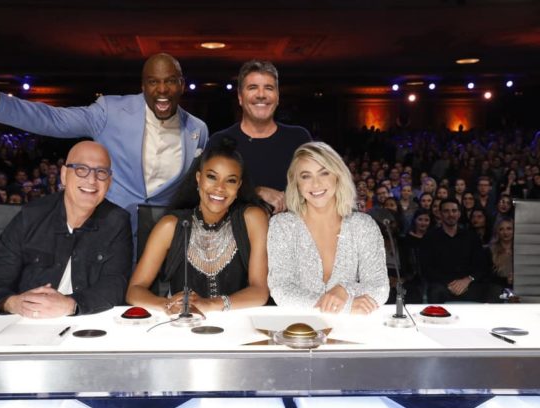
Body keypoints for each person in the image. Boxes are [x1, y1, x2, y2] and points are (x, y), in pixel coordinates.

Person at [0, 54, 209, 234]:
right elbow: (53, 119)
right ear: (143, 86)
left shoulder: (197, 130)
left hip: (163, 236)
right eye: (153, 82)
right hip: (107, 229)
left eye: (170, 81)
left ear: (182, 85)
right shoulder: (110, 111)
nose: (162, 89)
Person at [0, 141, 132, 318]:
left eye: (101, 172)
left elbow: (116, 284)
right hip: (29, 321)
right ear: (64, 175)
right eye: (81, 169)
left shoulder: (117, 221)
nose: (91, 180)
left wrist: (70, 305)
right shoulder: (30, 217)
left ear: (109, 182)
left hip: (89, 320)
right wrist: (15, 304)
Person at [126, 140, 269, 313]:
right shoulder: (171, 226)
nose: (219, 188)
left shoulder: (252, 219)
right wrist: (168, 305)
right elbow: (134, 291)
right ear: (198, 178)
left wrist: (211, 305)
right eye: (211, 177)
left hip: (239, 324)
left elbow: (260, 291)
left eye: (230, 180)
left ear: (238, 186)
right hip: (184, 327)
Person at [267, 142, 389, 314]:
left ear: (338, 176)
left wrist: (345, 290)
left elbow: (380, 286)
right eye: (306, 176)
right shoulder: (282, 226)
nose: (316, 184)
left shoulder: (363, 225)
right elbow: (281, 290)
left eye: (324, 173)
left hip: (352, 329)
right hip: (300, 328)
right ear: (296, 183)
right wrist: (344, 306)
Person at [207, 60, 311, 213]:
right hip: (236, 233)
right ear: (240, 97)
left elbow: (315, 187)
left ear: (277, 96)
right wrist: (256, 193)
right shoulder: (220, 141)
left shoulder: (299, 138)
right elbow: (209, 193)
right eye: (253, 87)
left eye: (268, 88)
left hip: (291, 232)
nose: (261, 95)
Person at [420, 198, 489, 303]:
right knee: (435, 292)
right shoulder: (430, 237)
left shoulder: (471, 237)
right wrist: (450, 283)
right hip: (442, 285)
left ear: (459, 213)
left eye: (454, 211)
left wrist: (468, 280)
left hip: (468, 284)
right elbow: (426, 268)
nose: (451, 214)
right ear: (440, 214)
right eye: (446, 211)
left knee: (489, 291)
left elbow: (481, 265)